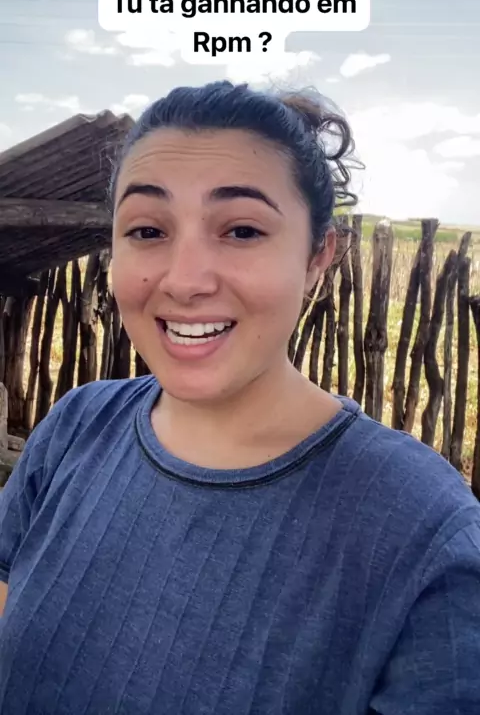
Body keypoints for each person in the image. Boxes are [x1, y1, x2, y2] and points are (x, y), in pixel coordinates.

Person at [0, 81, 479, 715]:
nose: (185, 281)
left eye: (243, 230)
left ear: (317, 257)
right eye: (147, 229)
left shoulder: (423, 530)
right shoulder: (76, 427)